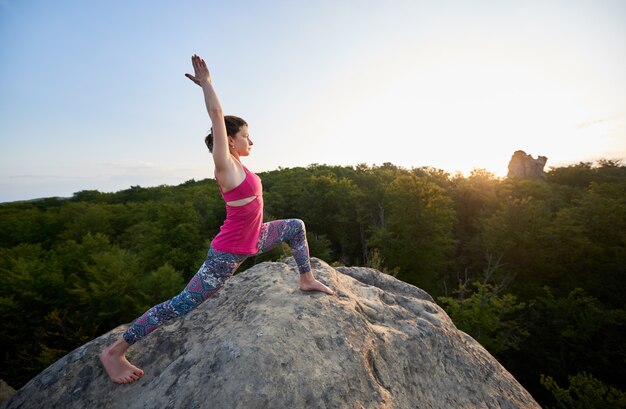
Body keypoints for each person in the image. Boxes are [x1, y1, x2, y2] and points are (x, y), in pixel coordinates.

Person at [99, 54, 335, 384]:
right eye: (246, 136)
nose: (251, 141)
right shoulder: (225, 165)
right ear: (230, 139)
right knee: (181, 304)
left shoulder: (242, 166)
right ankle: (114, 351)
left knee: (296, 226)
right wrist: (207, 84)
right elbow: (216, 114)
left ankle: (306, 279)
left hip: (255, 238)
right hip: (226, 255)